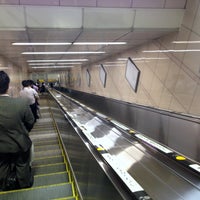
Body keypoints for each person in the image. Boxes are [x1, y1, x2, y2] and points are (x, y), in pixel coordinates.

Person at [0, 71, 35, 190]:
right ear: (8, 85)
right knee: (22, 164)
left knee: (2, 165)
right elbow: (30, 121)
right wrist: (23, 131)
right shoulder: (20, 103)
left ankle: (4, 186)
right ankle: (23, 185)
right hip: (19, 143)